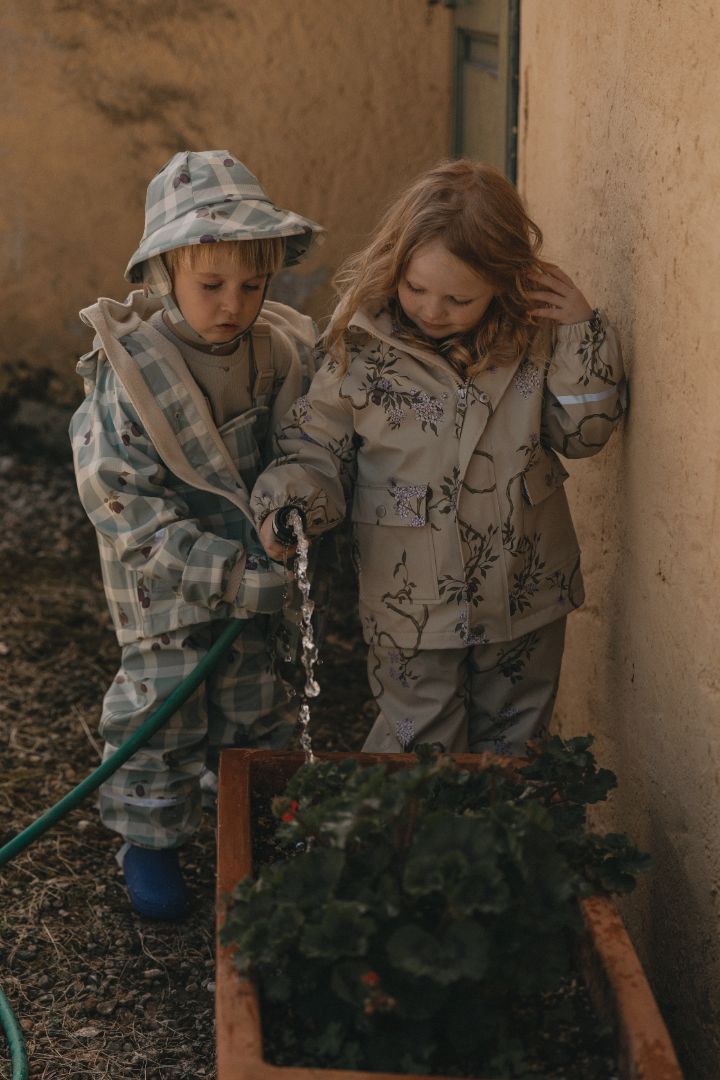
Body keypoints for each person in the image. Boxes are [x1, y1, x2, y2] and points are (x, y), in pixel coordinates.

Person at [253, 159, 625, 759]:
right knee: (417, 743)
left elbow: (585, 433)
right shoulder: (362, 350)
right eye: (416, 288)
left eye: (459, 298)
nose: (432, 310)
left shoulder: (534, 339)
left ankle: (492, 852)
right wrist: (290, 505)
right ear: (393, 265)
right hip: (410, 596)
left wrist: (580, 331)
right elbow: (316, 446)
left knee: (514, 744)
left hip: (525, 591)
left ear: (503, 283)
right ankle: (403, 850)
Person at [69, 150, 323, 919]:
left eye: (252, 285)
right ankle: (148, 842)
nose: (232, 304)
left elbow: (305, 447)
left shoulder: (277, 353)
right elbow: (124, 506)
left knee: (254, 704)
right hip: (168, 588)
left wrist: (292, 513)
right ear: (164, 272)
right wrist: (223, 569)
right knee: (162, 714)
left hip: (257, 574)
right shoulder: (136, 372)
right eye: (211, 285)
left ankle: (245, 817)